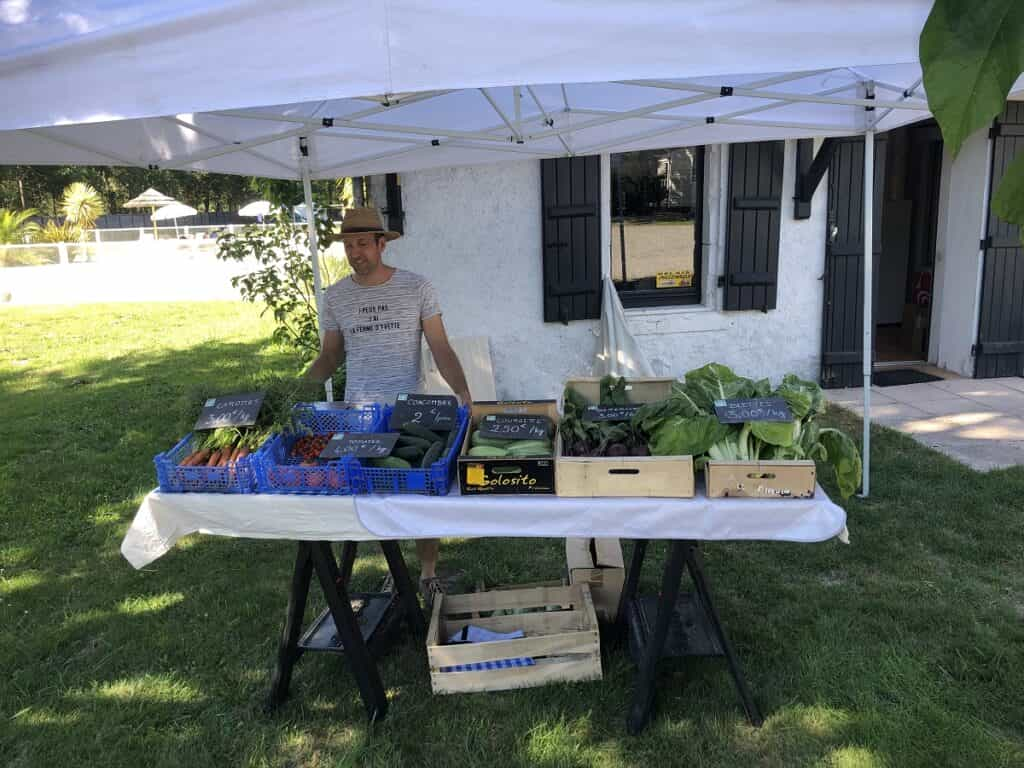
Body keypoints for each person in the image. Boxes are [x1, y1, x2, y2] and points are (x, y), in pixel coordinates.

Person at [304, 207, 471, 604]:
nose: (354, 253)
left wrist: (465, 393)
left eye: (362, 244)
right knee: (374, 495)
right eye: (348, 246)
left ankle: (427, 573)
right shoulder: (337, 297)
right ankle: (396, 572)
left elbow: (440, 347)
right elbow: (330, 356)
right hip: (361, 411)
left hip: (409, 408)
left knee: (421, 494)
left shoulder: (417, 288)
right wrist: (296, 390)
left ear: (382, 244)